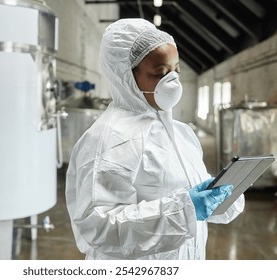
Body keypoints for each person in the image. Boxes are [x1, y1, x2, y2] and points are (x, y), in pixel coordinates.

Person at [65, 18, 245, 260]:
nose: (173, 82)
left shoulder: (180, 133)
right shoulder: (107, 140)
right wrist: (184, 211)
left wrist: (219, 197)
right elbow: (101, 226)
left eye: (176, 71)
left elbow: (198, 207)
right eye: (161, 73)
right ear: (126, 77)